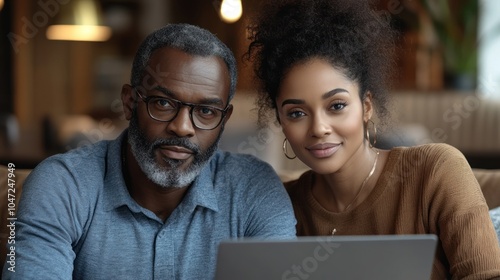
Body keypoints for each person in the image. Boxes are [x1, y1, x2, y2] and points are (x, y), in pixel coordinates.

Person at [2, 23, 296, 279]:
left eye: (206, 110)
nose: (182, 128)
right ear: (130, 102)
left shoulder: (256, 190)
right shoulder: (62, 185)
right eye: (163, 103)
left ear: (224, 120)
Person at [245, 0, 500, 279]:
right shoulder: (277, 207)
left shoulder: (436, 171)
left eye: (337, 106)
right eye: (296, 113)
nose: (318, 128)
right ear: (281, 121)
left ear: (366, 106)